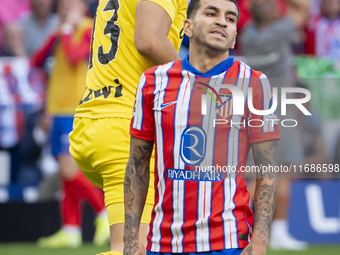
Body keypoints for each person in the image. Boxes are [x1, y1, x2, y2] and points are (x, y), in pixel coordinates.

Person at [124, 1, 279, 255]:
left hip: (229, 243)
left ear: (233, 38)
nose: (222, 21)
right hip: (163, 244)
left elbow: (268, 169)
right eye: (211, 13)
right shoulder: (152, 81)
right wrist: (130, 241)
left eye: (230, 19)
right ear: (188, 27)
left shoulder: (255, 83)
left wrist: (260, 243)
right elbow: (137, 164)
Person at [68, 0, 188, 254]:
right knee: (131, 249)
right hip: (126, 128)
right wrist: (195, 84)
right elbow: (149, 41)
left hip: (97, 121)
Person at [32, 0, 109, 248]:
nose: (65, 6)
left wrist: (66, 31)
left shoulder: (88, 27)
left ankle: (104, 213)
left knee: (69, 170)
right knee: (65, 177)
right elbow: (37, 61)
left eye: (70, 3)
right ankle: (71, 229)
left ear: (81, 6)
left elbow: (77, 57)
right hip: (56, 110)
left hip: (75, 109)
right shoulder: (62, 28)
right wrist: (57, 33)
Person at [240, 0, 310, 250]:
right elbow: (303, 8)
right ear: (272, 14)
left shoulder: (248, 35)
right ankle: (279, 231)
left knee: (251, 177)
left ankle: (244, 229)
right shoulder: (279, 30)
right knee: (283, 176)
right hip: (281, 112)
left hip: (254, 111)